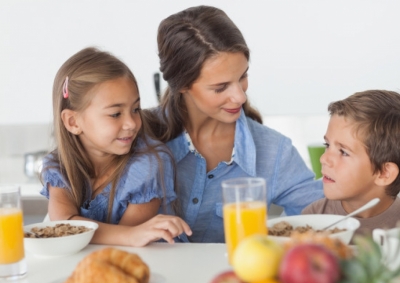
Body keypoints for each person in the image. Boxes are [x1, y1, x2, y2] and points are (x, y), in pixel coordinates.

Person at [143, 5, 324, 243]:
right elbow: (83, 218)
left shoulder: (274, 151)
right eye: (220, 87)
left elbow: (324, 220)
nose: (240, 96)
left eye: (243, 77)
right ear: (183, 85)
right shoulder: (136, 137)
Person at [40, 47, 191, 246]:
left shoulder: (149, 165)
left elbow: (125, 243)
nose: (132, 123)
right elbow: (64, 226)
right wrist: (131, 235)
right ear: (73, 122)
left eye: (135, 109)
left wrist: (131, 235)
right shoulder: (58, 167)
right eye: (115, 114)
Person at [302, 90, 400, 235]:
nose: (324, 159)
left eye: (343, 152)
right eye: (327, 145)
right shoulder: (312, 219)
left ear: (384, 173)